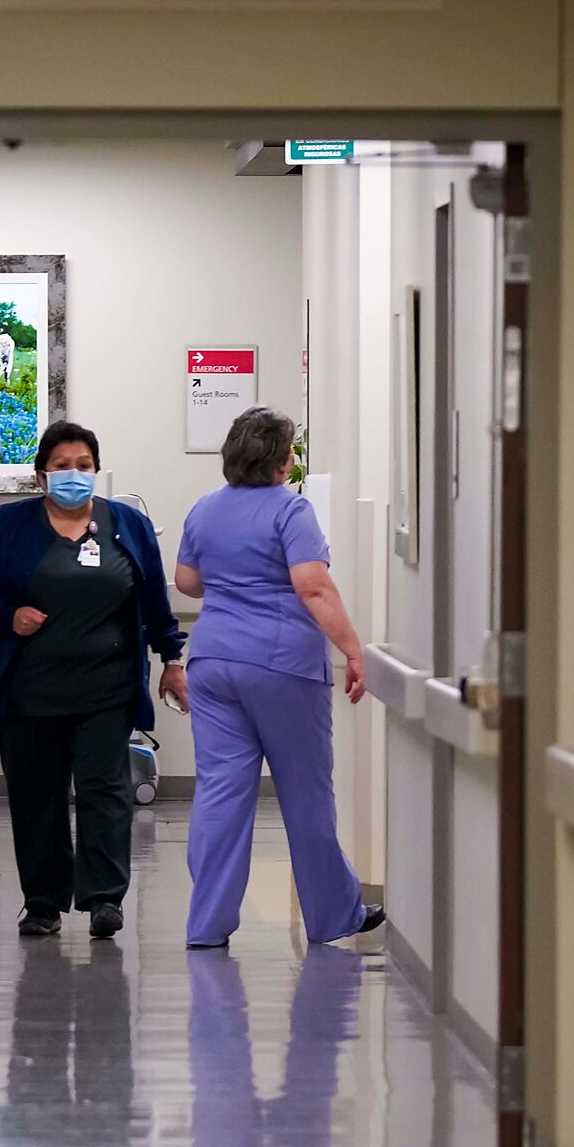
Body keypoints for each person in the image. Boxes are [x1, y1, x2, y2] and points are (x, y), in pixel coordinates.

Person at [0, 420, 188, 940]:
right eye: (61, 466)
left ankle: (104, 898)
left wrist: (171, 657)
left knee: (107, 793)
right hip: (29, 691)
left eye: (83, 466)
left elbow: (152, 596)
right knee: (37, 797)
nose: (73, 475)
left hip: (106, 690)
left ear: (96, 471)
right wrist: (7, 615)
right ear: (41, 476)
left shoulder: (126, 525)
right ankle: (42, 903)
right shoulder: (6, 525)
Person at [171, 406, 386, 950]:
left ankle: (207, 925)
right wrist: (354, 650)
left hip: (214, 663)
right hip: (283, 666)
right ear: (280, 461)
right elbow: (313, 586)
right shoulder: (292, 512)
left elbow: (187, 582)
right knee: (306, 793)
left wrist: (234, 581)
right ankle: (335, 915)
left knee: (220, 792)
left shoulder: (204, 509)